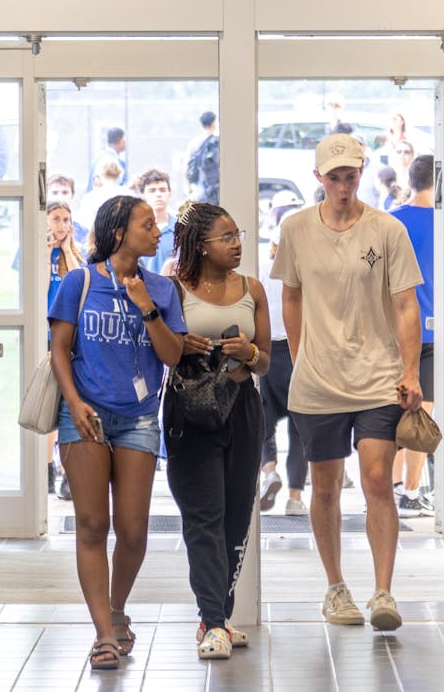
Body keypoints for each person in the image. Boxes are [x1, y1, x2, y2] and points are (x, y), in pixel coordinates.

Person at [271, 133, 424, 631]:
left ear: (361, 174)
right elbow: (290, 297)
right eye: (333, 178)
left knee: (379, 478)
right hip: (318, 382)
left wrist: (410, 371)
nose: (342, 187)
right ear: (319, 178)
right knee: (326, 486)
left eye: (350, 177)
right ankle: (336, 589)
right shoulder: (295, 229)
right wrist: (299, 359)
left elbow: (406, 305)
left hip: (378, 376)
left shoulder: (386, 230)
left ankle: (383, 592)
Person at [49, 195, 185, 671]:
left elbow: (171, 356)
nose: (157, 231)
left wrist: (146, 307)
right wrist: (74, 402)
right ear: (119, 232)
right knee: (91, 525)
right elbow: (60, 349)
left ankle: (118, 607)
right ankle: (104, 634)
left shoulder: (162, 289)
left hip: (140, 417)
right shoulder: (79, 282)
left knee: (132, 531)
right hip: (85, 414)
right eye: (147, 225)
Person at [164, 201, 270, 660]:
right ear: (200, 246)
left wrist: (247, 351)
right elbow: (161, 350)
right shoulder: (174, 288)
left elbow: (266, 359)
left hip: (242, 406)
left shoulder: (253, 289)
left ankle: (218, 620)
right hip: (191, 410)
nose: (237, 244)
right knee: (203, 517)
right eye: (226, 237)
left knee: (235, 516)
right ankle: (212, 619)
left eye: (238, 234)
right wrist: (181, 341)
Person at [390, 154, 436, 518]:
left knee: (393, 412)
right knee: (421, 414)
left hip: (394, 331)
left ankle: (391, 488)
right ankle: (411, 492)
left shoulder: (391, 222)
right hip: (432, 330)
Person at [258, 201, 308, 516]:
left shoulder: (263, 267)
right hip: (299, 352)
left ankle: (269, 471)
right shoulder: (309, 268)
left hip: (266, 352)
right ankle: (295, 497)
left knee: (263, 422)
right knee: (300, 428)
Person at [46, 200, 85, 501]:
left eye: (66, 220)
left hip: (72, 336)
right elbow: (39, 286)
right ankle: (48, 466)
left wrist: (69, 248)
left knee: (68, 402)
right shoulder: (41, 253)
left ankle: (65, 470)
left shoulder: (74, 252)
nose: (61, 225)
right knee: (49, 403)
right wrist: (47, 252)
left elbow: (78, 284)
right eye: (55, 218)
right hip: (46, 335)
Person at [136, 168, 177, 274]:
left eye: (163, 190)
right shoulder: (135, 230)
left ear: (169, 195)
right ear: (142, 195)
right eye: (152, 190)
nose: (158, 194)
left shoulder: (181, 229)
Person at [45, 173, 90, 254]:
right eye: (55, 192)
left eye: (65, 192)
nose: (60, 197)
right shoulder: (36, 230)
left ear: (72, 195)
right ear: (46, 196)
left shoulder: (84, 233)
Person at [186, 111, 220, 205]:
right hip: (215, 187)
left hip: (199, 187)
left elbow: (187, 166)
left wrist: (188, 187)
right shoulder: (218, 142)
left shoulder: (194, 142)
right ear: (214, 123)